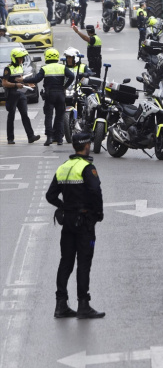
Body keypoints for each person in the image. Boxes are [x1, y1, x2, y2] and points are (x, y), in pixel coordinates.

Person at [45, 132, 105, 320]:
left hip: (68, 222)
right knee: (83, 263)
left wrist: (65, 207)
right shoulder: (87, 167)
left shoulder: (64, 167)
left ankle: (61, 305)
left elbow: (50, 196)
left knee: (66, 262)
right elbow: (95, 191)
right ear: (86, 146)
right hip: (84, 222)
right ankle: (83, 305)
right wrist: (98, 213)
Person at [31, 48, 76, 146]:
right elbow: (72, 76)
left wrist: (23, 80)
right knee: (59, 117)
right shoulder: (62, 67)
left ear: (46, 57)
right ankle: (59, 139)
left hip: (49, 95)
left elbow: (36, 79)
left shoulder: (45, 68)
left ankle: (49, 138)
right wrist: (65, 86)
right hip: (60, 94)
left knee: (48, 117)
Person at [2, 48, 41, 145]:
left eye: (22, 58)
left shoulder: (20, 67)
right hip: (12, 94)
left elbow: (20, 80)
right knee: (11, 116)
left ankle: (30, 136)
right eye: (19, 58)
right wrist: (15, 85)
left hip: (21, 94)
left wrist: (27, 85)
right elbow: (4, 83)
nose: (21, 60)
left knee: (25, 115)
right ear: (14, 58)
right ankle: (10, 138)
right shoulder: (8, 68)